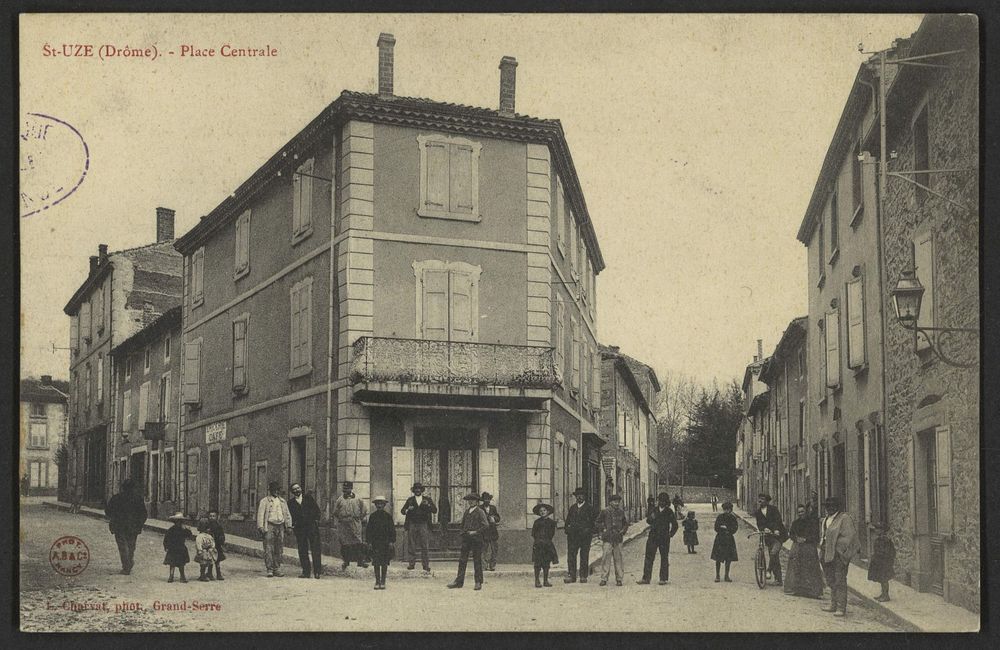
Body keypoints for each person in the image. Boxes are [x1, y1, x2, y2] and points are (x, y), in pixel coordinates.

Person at [819, 496, 861, 617]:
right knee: (830, 578)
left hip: (838, 555)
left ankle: (841, 607)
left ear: (837, 506)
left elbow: (850, 536)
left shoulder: (844, 518)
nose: (829, 508)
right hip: (826, 552)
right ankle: (833, 604)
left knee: (840, 580)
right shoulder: (826, 519)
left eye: (832, 506)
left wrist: (839, 550)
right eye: (827, 506)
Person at [105, 478, 148, 575]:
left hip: (119, 526)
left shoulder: (116, 498)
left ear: (123, 488)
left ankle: (126, 566)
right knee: (131, 546)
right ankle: (129, 562)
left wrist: (114, 518)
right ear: (133, 488)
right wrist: (139, 524)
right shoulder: (138, 499)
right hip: (133, 527)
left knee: (122, 547)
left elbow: (108, 512)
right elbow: (143, 514)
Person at [447, 493, 490, 590]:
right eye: (469, 500)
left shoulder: (480, 511)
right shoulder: (467, 512)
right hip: (466, 539)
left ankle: (478, 582)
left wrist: (475, 532)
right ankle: (458, 582)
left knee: (477, 560)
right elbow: (462, 525)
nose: (471, 501)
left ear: (477, 501)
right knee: (462, 560)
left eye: (473, 500)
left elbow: (486, 525)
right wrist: (463, 533)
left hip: (477, 539)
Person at [783, 504, 824, 599]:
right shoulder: (795, 523)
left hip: (809, 548)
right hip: (797, 547)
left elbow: (816, 537)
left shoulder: (812, 523)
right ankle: (798, 589)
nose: (801, 514)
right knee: (796, 567)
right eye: (799, 512)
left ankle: (812, 591)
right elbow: (791, 534)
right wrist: (796, 539)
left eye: (802, 512)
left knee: (810, 568)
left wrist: (806, 540)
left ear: (806, 512)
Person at [637, 492, 678, 585]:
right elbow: (648, 521)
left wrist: (670, 535)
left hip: (664, 538)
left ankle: (663, 579)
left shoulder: (669, 511)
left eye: (663, 501)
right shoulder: (654, 510)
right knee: (649, 557)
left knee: (664, 557)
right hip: (653, 537)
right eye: (660, 500)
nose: (661, 502)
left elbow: (675, 525)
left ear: (666, 502)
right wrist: (651, 517)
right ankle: (646, 578)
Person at [256, 480, 293, 577]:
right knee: (268, 547)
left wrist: (288, 526)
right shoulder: (264, 501)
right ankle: (270, 569)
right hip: (269, 525)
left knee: (279, 547)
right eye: (274, 490)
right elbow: (260, 514)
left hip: (280, 526)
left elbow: (287, 514)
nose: (276, 491)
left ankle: (277, 568)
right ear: (270, 491)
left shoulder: (282, 501)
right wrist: (261, 527)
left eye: (278, 490)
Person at [288, 483, 323, 579]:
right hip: (300, 529)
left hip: (312, 527)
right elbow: (290, 516)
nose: (297, 490)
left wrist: (315, 521)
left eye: (298, 488)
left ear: (301, 489)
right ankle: (306, 572)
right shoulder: (290, 503)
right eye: (294, 489)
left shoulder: (308, 498)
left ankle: (317, 572)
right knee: (302, 550)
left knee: (315, 549)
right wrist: (293, 526)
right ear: (292, 492)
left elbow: (317, 511)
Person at [401, 482, 437, 573]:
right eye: (416, 489)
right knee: (411, 544)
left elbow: (434, 510)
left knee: (424, 545)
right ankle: (411, 564)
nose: (417, 490)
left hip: (423, 524)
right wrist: (407, 509)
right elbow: (402, 511)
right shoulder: (410, 500)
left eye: (419, 489)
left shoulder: (427, 499)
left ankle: (425, 565)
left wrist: (428, 505)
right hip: (412, 524)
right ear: (413, 491)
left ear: (421, 490)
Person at [752, 493, 787, 586]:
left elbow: (778, 520)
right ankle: (779, 580)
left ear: (767, 501)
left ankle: (768, 570)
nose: (760, 500)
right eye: (759, 498)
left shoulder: (773, 509)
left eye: (762, 499)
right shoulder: (758, 512)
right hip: (768, 537)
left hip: (778, 536)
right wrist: (763, 529)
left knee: (773, 553)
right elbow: (759, 524)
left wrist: (775, 529)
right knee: (774, 558)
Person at [564, 487, 597, 584]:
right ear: (575, 497)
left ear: (584, 497)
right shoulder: (572, 508)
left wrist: (589, 531)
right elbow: (567, 521)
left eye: (581, 495)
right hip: (573, 536)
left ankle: (583, 576)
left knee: (584, 555)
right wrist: (567, 530)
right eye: (577, 495)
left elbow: (594, 522)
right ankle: (572, 576)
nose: (579, 497)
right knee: (571, 556)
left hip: (585, 537)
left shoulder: (590, 508)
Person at [333, 481, 369, 569]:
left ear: (351, 489)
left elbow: (364, 510)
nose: (346, 491)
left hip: (355, 522)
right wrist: (342, 519)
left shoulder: (358, 499)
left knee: (358, 541)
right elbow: (335, 512)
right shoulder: (340, 499)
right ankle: (346, 561)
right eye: (344, 489)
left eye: (348, 489)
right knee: (345, 543)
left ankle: (360, 561)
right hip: (344, 524)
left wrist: (359, 518)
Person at [596, 493, 629, 586]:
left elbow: (625, 524)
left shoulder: (621, 512)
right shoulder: (605, 511)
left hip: (618, 538)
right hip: (608, 538)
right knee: (606, 558)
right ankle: (604, 578)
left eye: (618, 502)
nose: (617, 503)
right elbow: (597, 522)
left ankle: (619, 579)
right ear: (610, 502)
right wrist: (603, 529)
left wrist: (622, 531)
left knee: (618, 559)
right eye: (615, 501)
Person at [366, 496, 396, 590]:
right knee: (376, 562)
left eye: (381, 504)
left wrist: (391, 541)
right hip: (375, 543)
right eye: (377, 504)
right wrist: (369, 542)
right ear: (375, 505)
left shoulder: (388, 517)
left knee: (384, 563)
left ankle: (383, 581)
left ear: (384, 505)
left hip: (385, 543)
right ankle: (377, 581)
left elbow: (392, 530)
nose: (379, 505)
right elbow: (369, 531)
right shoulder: (372, 516)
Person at [531, 503, 558, 588]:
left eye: (544, 510)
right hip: (538, 545)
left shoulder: (551, 523)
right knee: (537, 563)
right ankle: (537, 580)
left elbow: (551, 534)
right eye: (541, 511)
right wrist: (539, 540)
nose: (542, 512)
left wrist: (546, 540)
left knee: (546, 563)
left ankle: (545, 580)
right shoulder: (537, 522)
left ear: (548, 511)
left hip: (547, 545)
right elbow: (533, 533)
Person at [711, 502, 739, 582]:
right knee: (718, 558)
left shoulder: (733, 518)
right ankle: (717, 575)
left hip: (729, 539)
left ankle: (726, 575)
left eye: (728, 510)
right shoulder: (720, 517)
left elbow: (735, 528)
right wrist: (721, 528)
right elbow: (716, 527)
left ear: (730, 510)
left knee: (728, 559)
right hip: (720, 539)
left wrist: (727, 528)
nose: (726, 511)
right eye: (725, 509)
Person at [868, 522, 896, 602]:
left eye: (878, 529)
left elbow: (888, 552)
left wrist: (884, 560)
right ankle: (883, 594)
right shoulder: (879, 539)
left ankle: (886, 595)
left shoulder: (885, 540)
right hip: (879, 562)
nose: (875, 530)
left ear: (882, 530)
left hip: (884, 562)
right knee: (881, 578)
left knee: (884, 579)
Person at [162, 512, 192, 583]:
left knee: (181, 564)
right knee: (172, 564)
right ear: (174, 522)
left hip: (181, 548)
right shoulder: (171, 529)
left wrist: (187, 530)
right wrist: (166, 546)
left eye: (180, 521)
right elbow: (166, 539)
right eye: (177, 521)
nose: (179, 523)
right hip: (173, 548)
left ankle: (182, 577)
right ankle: (171, 576)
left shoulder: (183, 529)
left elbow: (189, 535)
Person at [480, 492, 501, 571]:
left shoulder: (493, 508)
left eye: (488, 499)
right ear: (483, 500)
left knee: (494, 549)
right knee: (483, 549)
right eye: (485, 499)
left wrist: (494, 519)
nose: (487, 501)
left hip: (492, 532)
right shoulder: (479, 508)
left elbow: (498, 517)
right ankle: (484, 565)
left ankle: (492, 565)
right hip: (484, 532)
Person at [206, 509, 226, 581]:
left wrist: (222, 540)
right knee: (210, 560)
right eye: (210, 516)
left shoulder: (219, 526)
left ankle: (218, 574)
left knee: (217, 561)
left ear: (217, 517)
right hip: (209, 546)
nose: (212, 517)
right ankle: (209, 573)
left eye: (213, 516)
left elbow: (222, 535)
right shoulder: (207, 526)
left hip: (217, 545)